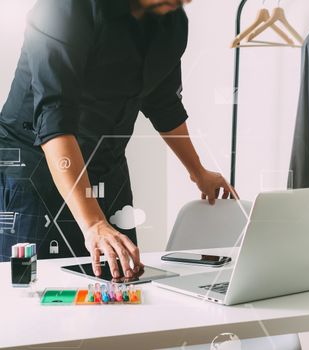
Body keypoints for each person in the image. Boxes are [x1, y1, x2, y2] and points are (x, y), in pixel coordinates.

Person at [0, 0, 237, 279]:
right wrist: (93, 224)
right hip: (36, 167)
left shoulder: (172, 23)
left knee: (120, 284)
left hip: (106, 165)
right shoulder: (64, 7)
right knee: (33, 289)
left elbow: (163, 102)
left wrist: (198, 172)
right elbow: (55, 119)